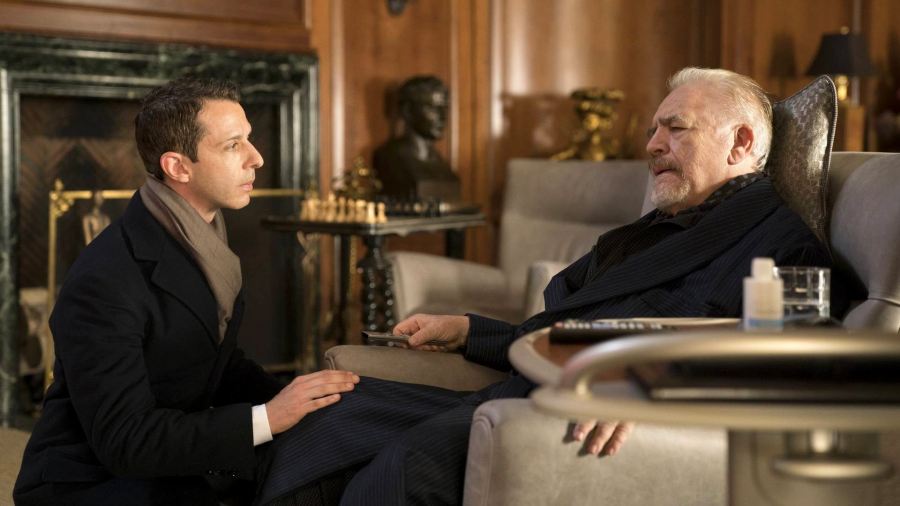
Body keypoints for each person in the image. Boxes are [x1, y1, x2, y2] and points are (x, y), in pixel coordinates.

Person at [257, 67, 838, 505]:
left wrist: (655, 382)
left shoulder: (781, 242)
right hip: (520, 386)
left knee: (407, 469)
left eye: (676, 128)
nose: (653, 144)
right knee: (328, 416)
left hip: (566, 418)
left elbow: (796, 363)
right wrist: (469, 331)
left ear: (741, 143)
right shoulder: (650, 230)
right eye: (654, 129)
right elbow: (561, 332)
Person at [14, 77, 360, 506]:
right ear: (178, 167)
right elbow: (125, 441)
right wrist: (269, 418)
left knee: (340, 463)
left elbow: (216, 362)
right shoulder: (104, 280)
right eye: (233, 145)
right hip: (93, 484)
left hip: (174, 463)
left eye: (249, 139)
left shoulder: (203, 239)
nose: (257, 158)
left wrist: (305, 401)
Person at [373, 75, 461, 201]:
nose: (442, 117)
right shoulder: (390, 158)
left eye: (444, 108)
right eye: (432, 108)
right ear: (408, 111)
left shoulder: (442, 164)